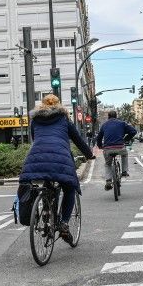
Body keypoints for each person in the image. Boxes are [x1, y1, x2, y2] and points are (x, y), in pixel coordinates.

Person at [19, 94, 95, 243]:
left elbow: (34, 138)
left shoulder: (35, 120)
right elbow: (77, 139)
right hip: (60, 158)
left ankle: (46, 210)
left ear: (42, 104)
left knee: (46, 181)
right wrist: (89, 154)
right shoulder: (64, 119)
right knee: (69, 188)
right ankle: (64, 223)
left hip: (37, 157)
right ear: (58, 104)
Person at [97, 110, 137, 191]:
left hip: (107, 149)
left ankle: (108, 181)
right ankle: (124, 171)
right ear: (116, 116)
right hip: (120, 147)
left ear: (108, 117)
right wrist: (126, 139)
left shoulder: (104, 125)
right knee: (124, 154)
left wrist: (100, 146)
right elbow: (133, 131)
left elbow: (99, 137)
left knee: (108, 164)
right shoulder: (122, 123)